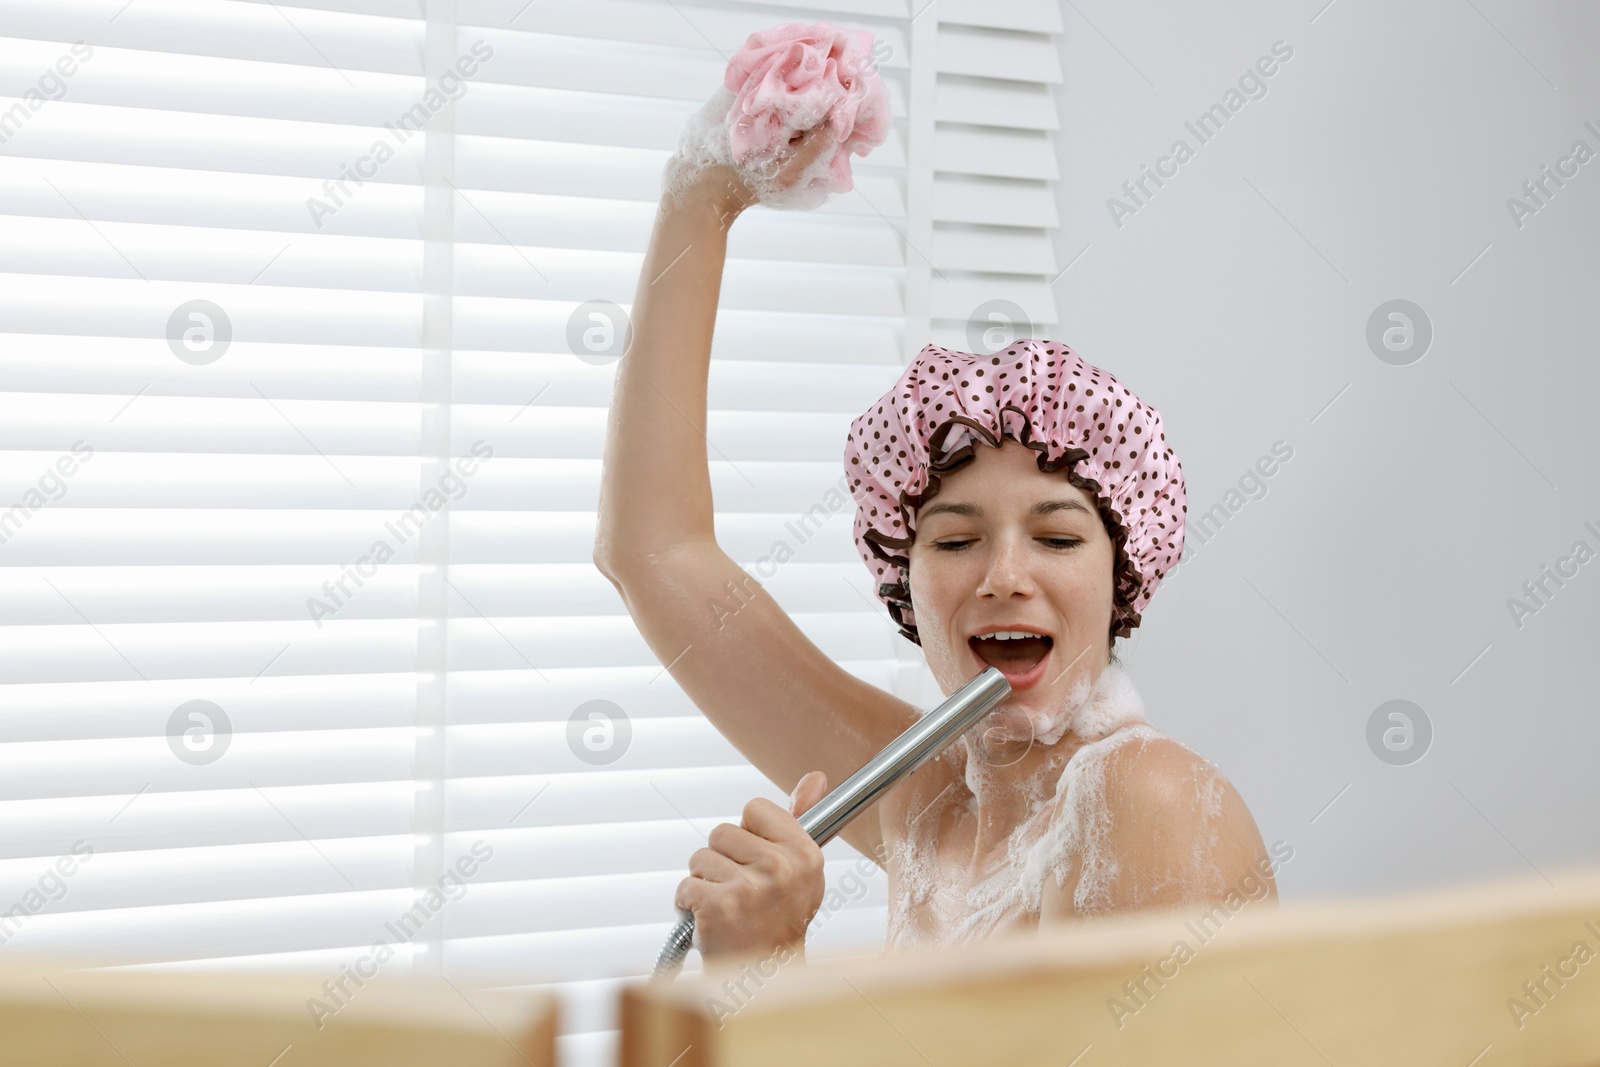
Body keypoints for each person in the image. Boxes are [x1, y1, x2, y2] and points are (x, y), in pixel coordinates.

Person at [593, 126, 1277, 968]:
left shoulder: (1145, 804)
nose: (1004, 575)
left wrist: (766, 978)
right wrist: (701, 193)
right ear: (903, 578)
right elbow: (654, 551)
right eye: (955, 539)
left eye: (1058, 535)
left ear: (1121, 573)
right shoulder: (924, 791)